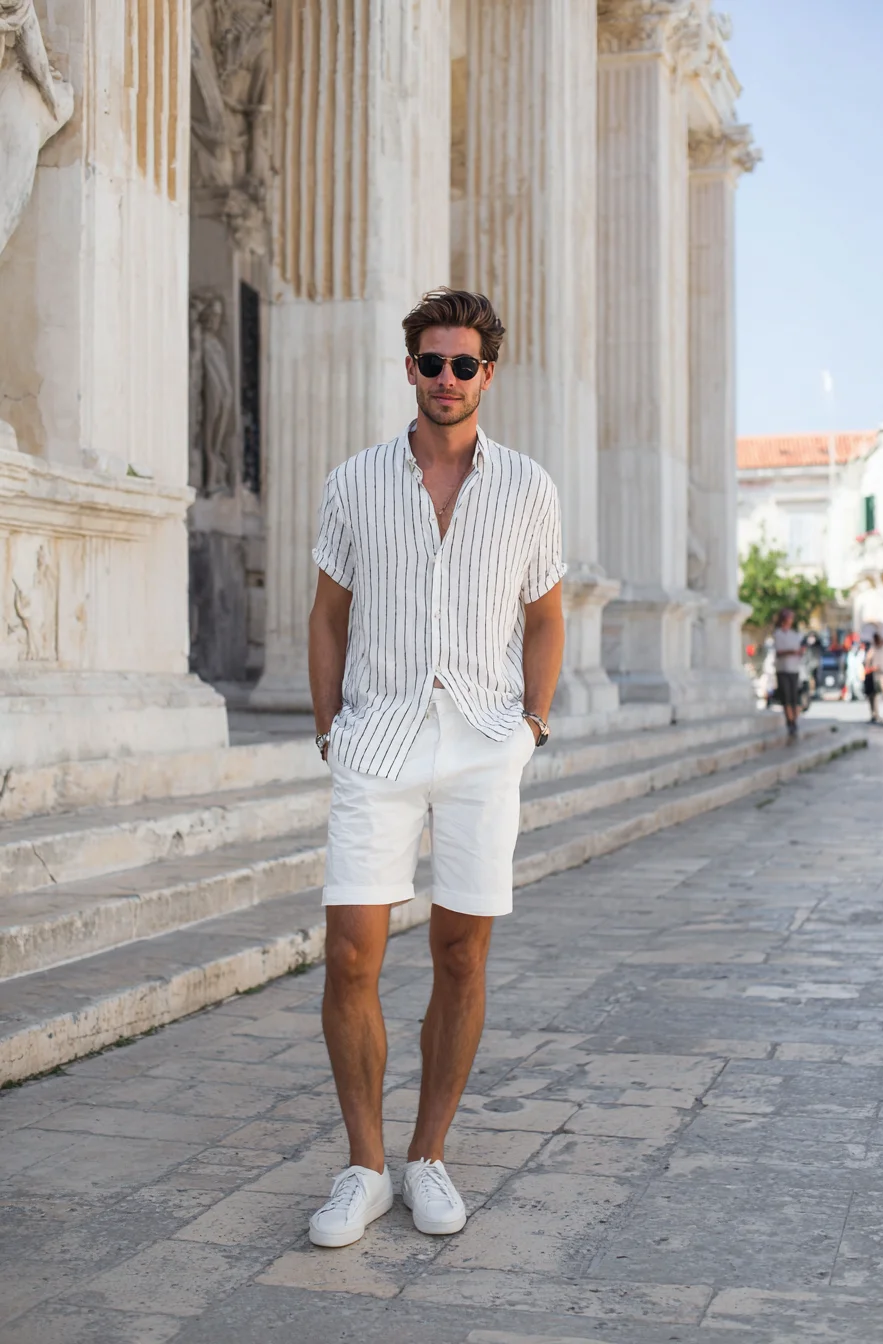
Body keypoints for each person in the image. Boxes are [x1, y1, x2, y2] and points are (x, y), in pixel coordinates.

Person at [306, 288, 566, 1249]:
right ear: (409, 369)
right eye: (431, 362)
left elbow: (545, 616)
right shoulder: (355, 482)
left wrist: (528, 724)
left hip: (482, 743)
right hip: (377, 739)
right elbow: (328, 612)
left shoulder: (527, 487)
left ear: (487, 374)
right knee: (349, 954)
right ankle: (364, 1167)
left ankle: (429, 1157)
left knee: (461, 952)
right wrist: (331, 726)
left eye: (464, 365)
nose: (446, 379)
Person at [773, 609, 802, 738]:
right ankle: (789, 722)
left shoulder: (794, 634)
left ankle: (794, 721)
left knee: (794, 698)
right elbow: (779, 652)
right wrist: (791, 652)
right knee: (786, 697)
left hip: (794, 669)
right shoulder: (778, 634)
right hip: (782, 669)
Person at [865, 632, 883, 724]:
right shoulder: (875, 649)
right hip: (878, 675)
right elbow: (868, 660)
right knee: (877, 696)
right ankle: (878, 715)